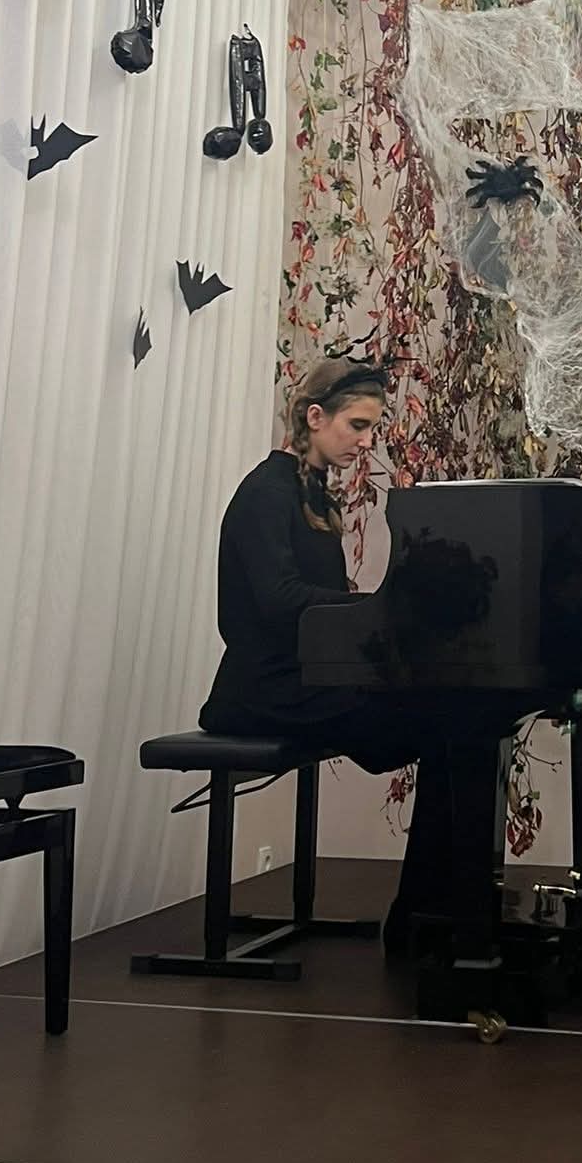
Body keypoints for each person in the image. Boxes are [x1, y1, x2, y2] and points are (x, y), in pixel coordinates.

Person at [201, 357, 455, 955]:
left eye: (372, 429)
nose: (366, 442)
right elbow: (279, 601)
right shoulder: (267, 493)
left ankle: (433, 913)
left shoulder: (309, 492)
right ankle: (426, 921)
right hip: (264, 691)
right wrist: (376, 607)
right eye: (357, 426)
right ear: (315, 417)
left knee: (450, 720)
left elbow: (323, 612)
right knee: (446, 727)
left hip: (307, 680)